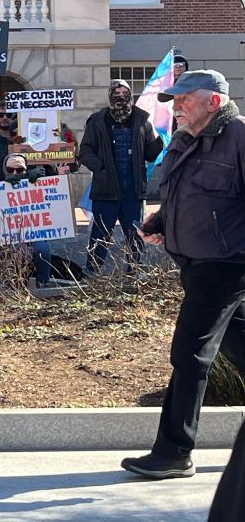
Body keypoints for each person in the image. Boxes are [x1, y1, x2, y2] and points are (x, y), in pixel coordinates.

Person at [121, 70, 245, 481]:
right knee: (238, 344)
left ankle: (174, 451)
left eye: (185, 98)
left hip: (227, 264)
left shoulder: (239, 136)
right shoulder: (183, 139)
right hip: (193, 263)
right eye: (174, 99)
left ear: (214, 102)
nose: (176, 106)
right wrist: (160, 222)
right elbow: (179, 195)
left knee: (190, 353)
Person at [78, 78, 163, 276]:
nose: (121, 97)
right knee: (100, 235)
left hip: (132, 191)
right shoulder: (97, 121)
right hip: (105, 190)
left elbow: (150, 155)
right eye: (116, 94)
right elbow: (85, 152)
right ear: (110, 96)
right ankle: (92, 272)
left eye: (125, 93)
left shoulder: (142, 120)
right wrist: (101, 168)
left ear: (130, 96)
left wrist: (160, 140)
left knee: (135, 234)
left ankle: (135, 271)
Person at [1, 154, 76, 289]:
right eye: (10, 170)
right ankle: (15, 283)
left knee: (42, 250)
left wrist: (60, 174)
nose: (15, 173)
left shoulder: (36, 181)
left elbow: (58, 190)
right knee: (14, 253)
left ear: (26, 169)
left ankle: (42, 282)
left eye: (19, 170)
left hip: (34, 230)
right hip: (8, 234)